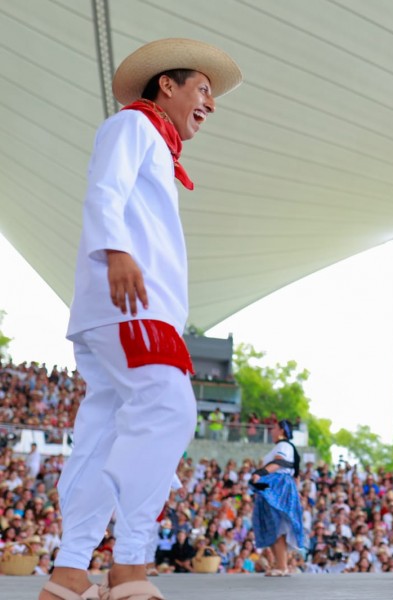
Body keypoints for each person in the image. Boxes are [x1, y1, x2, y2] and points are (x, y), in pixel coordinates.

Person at [39, 38, 242, 600]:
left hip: (122, 308)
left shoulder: (154, 138)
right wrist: (118, 252)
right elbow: (104, 189)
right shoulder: (135, 126)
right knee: (167, 407)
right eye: (203, 88)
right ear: (166, 85)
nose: (211, 101)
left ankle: (69, 572)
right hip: (132, 303)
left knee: (103, 436)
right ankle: (129, 565)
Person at [250, 418, 305, 577]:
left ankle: (282, 565)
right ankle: (280, 563)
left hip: (276, 485)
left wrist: (260, 474)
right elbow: (295, 473)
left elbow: (281, 464)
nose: (271, 430)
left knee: (277, 526)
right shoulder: (284, 447)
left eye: (274, 427)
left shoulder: (284, 446)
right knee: (274, 525)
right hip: (275, 485)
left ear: (281, 430)